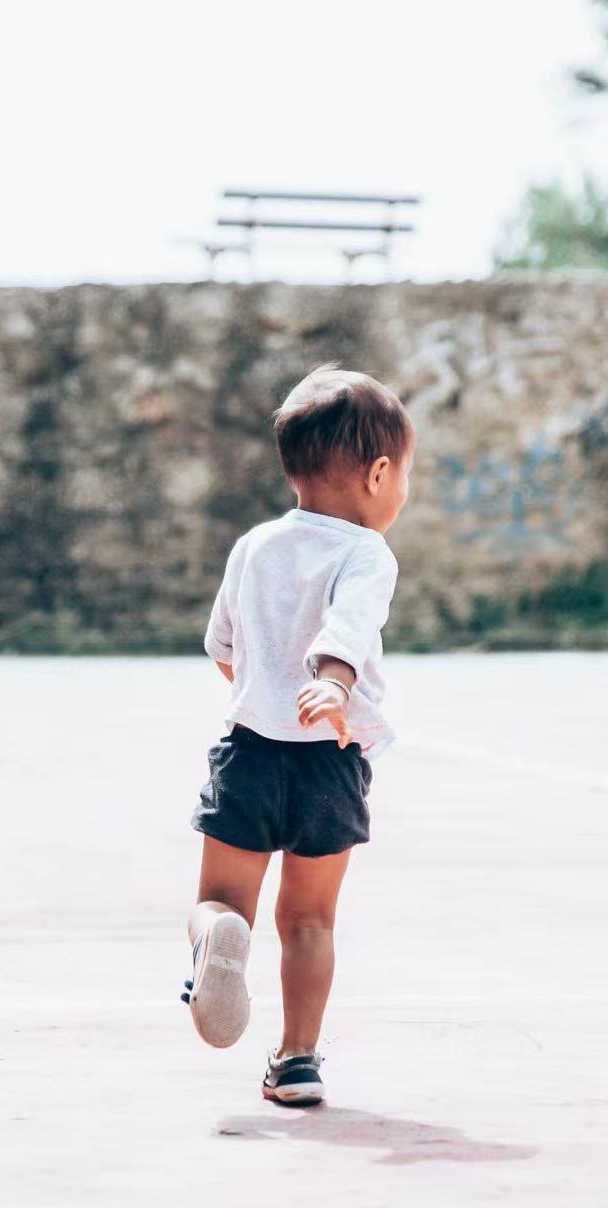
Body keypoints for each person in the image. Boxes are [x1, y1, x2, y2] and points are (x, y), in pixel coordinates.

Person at [181, 363, 414, 1106]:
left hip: (250, 752)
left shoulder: (254, 546)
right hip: (329, 762)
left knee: (221, 899)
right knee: (309, 919)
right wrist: (333, 685)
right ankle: (297, 1061)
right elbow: (349, 628)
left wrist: (270, 694)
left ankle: (215, 939)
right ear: (379, 474)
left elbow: (221, 647)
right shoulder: (366, 552)